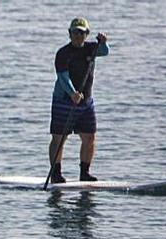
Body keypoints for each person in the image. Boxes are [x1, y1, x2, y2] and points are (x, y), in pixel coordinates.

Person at [48, 18, 109, 184]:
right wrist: (72, 93)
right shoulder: (63, 53)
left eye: (82, 32)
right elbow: (62, 76)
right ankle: (56, 173)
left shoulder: (91, 48)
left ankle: (85, 173)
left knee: (89, 137)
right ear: (69, 34)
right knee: (59, 138)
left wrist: (103, 42)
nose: (78, 35)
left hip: (86, 102)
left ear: (87, 34)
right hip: (64, 100)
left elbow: (104, 52)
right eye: (75, 32)